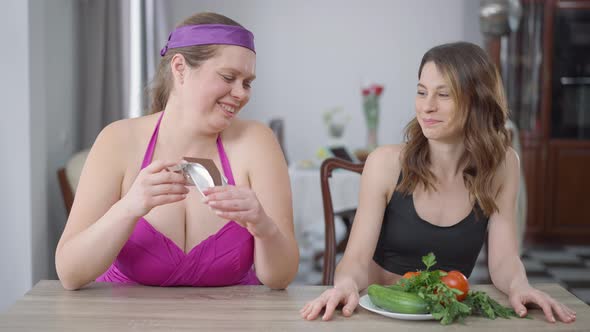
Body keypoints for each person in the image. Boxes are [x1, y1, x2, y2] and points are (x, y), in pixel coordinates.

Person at [300, 42, 576, 324]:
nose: (427, 106)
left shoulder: (503, 166)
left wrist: (520, 286)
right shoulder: (385, 163)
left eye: (443, 94)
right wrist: (345, 285)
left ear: (477, 101)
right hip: (378, 317)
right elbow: (355, 259)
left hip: (448, 317)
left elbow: (504, 259)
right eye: (421, 92)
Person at [55, 12, 298, 290]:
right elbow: (69, 273)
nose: (241, 93)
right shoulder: (117, 140)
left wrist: (263, 226)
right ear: (180, 67)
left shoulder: (257, 142)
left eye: (247, 83)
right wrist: (128, 208)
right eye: (229, 77)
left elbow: (280, 279)